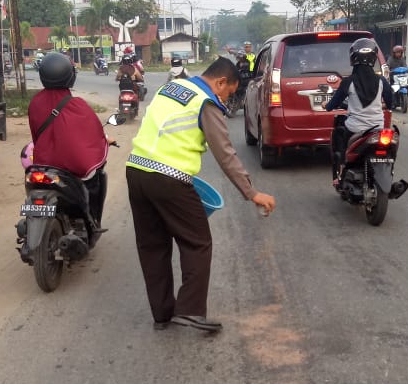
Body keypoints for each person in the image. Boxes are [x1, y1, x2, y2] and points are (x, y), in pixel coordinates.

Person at [125, 58, 276, 333]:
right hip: (169, 178)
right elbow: (225, 154)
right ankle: (190, 310)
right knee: (198, 242)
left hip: (136, 171)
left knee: (152, 246)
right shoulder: (205, 102)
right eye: (229, 92)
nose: (227, 99)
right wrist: (251, 192)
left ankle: (162, 315)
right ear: (220, 82)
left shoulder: (170, 87)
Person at [26, 52, 113, 226]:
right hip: (70, 166)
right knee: (94, 179)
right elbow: (93, 135)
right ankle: (92, 221)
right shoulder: (77, 105)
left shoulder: (35, 102)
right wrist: (104, 141)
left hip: (43, 163)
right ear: (70, 77)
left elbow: (36, 135)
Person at [325, 37, 394, 185]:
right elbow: (390, 103)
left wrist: (327, 105)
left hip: (355, 129)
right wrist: (383, 106)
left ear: (353, 58)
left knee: (339, 133)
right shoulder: (381, 81)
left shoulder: (348, 82)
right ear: (373, 58)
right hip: (377, 128)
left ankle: (340, 171)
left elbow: (332, 105)